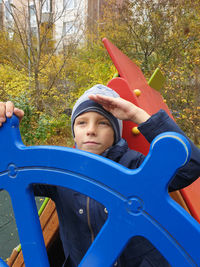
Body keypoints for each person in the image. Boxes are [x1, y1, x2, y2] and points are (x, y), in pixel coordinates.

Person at [0, 84, 200, 267]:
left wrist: (136, 114)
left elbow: (190, 165)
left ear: (116, 131)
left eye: (103, 123)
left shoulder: (135, 166)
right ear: (74, 131)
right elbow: (11, 173)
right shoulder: (60, 171)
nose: (91, 131)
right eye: (82, 123)